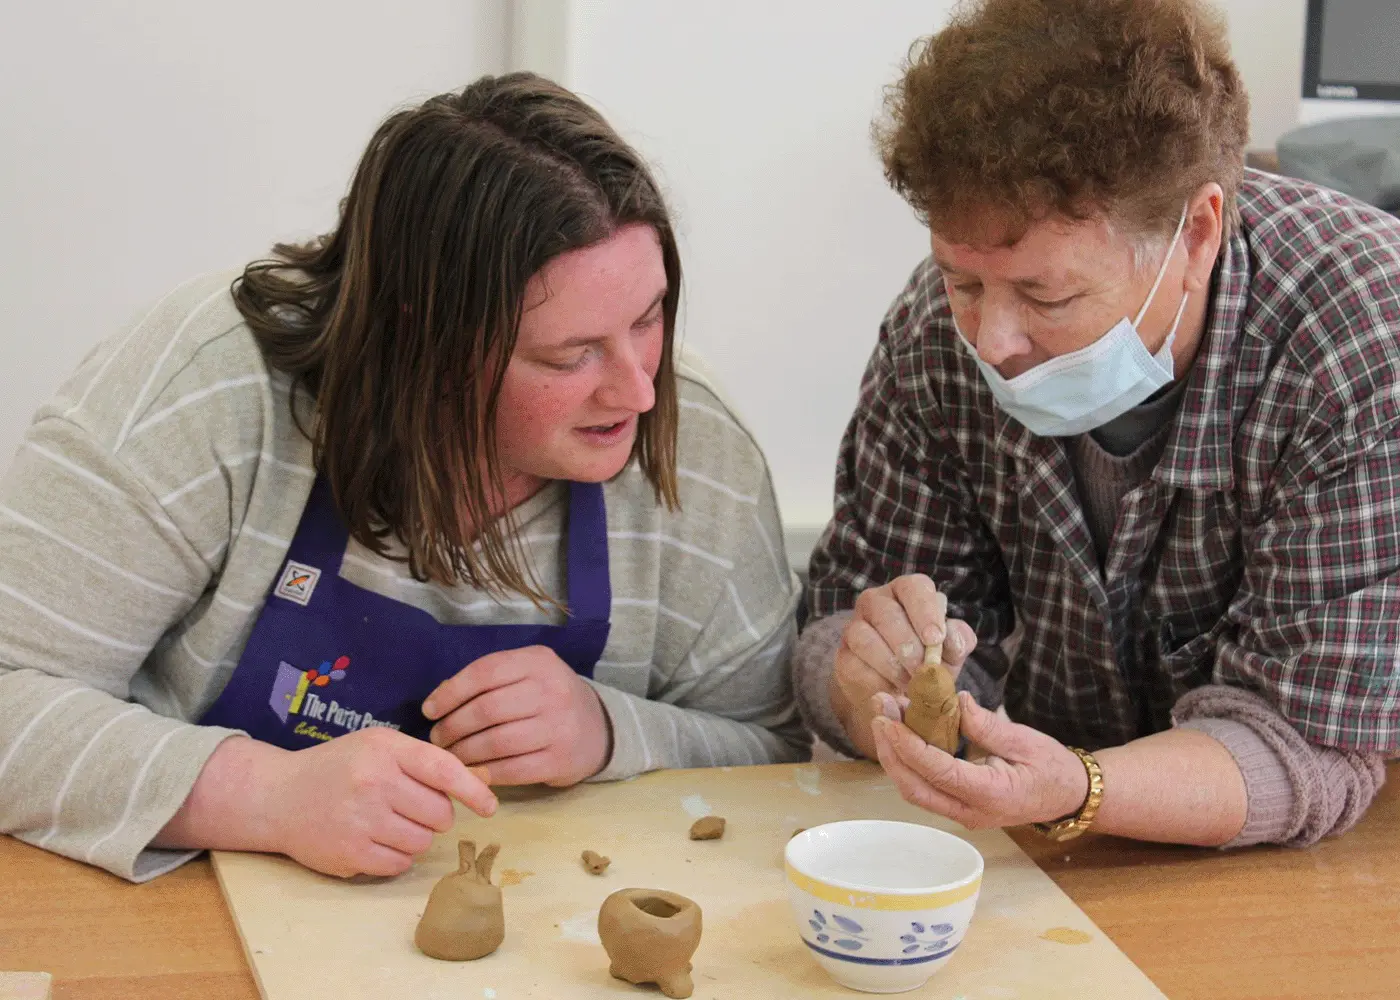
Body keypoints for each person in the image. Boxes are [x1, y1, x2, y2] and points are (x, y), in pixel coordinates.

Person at [0, 73, 805, 883]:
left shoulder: (696, 444)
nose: (636, 388)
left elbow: (780, 755)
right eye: (571, 355)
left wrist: (613, 732)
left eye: (649, 319)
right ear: (431, 340)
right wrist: (265, 794)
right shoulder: (207, 389)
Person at [795, 0, 1396, 849]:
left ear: (1196, 233)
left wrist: (1080, 787)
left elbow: (1314, 742)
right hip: (1038, 851)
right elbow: (833, 635)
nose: (992, 341)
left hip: (1310, 864)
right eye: (964, 281)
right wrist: (866, 687)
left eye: (1048, 296)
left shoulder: (1359, 339)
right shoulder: (935, 333)